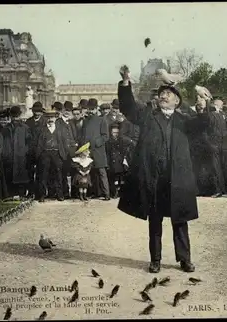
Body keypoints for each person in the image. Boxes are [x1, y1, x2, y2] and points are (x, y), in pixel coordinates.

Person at [117, 66, 198, 274]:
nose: (163, 96)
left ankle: (185, 259)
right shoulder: (147, 116)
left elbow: (204, 125)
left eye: (168, 94)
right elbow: (128, 107)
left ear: (177, 100)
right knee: (155, 220)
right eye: (161, 94)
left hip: (177, 178)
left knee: (180, 220)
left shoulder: (185, 121)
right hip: (154, 177)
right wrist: (126, 82)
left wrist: (206, 105)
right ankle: (156, 260)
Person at [35, 109, 74, 202]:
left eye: (52, 117)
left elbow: (65, 143)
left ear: (56, 118)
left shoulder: (61, 129)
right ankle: (42, 195)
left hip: (57, 154)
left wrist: (64, 155)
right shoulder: (41, 129)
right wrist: (38, 156)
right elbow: (38, 144)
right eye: (48, 117)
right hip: (45, 154)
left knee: (59, 175)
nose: (50, 119)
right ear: (46, 118)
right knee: (43, 175)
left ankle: (60, 195)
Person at [81, 98, 110, 200]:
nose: (91, 111)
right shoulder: (85, 121)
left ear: (97, 109)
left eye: (93, 109)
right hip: (88, 151)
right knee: (91, 172)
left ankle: (106, 194)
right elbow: (83, 136)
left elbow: (106, 136)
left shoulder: (102, 120)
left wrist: (97, 142)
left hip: (99, 151)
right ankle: (95, 193)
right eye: (90, 109)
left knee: (102, 172)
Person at [106, 123, 132, 198]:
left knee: (122, 177)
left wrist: (126, 156)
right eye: (114, 133)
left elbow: (130, 143)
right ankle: (115, 192)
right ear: (111, 132)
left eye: (117, 133)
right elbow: (108, 153)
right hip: (113, 162)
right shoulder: (108, 142)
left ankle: (121, 192)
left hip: (121, 161)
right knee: (115, 178)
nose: (115, 134)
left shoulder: (122, 140)